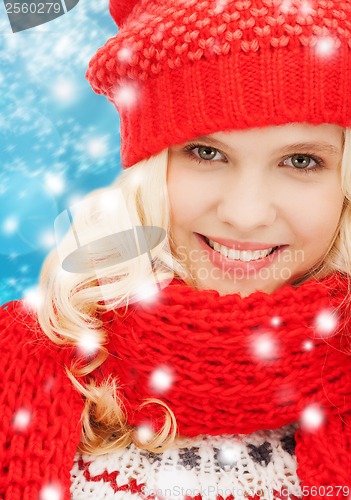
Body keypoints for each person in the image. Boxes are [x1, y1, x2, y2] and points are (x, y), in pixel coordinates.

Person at [1, 0, 351, 499]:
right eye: (206, 152)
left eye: (300, 160)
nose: (245, 214)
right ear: (146, 171)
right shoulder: (14, 359)